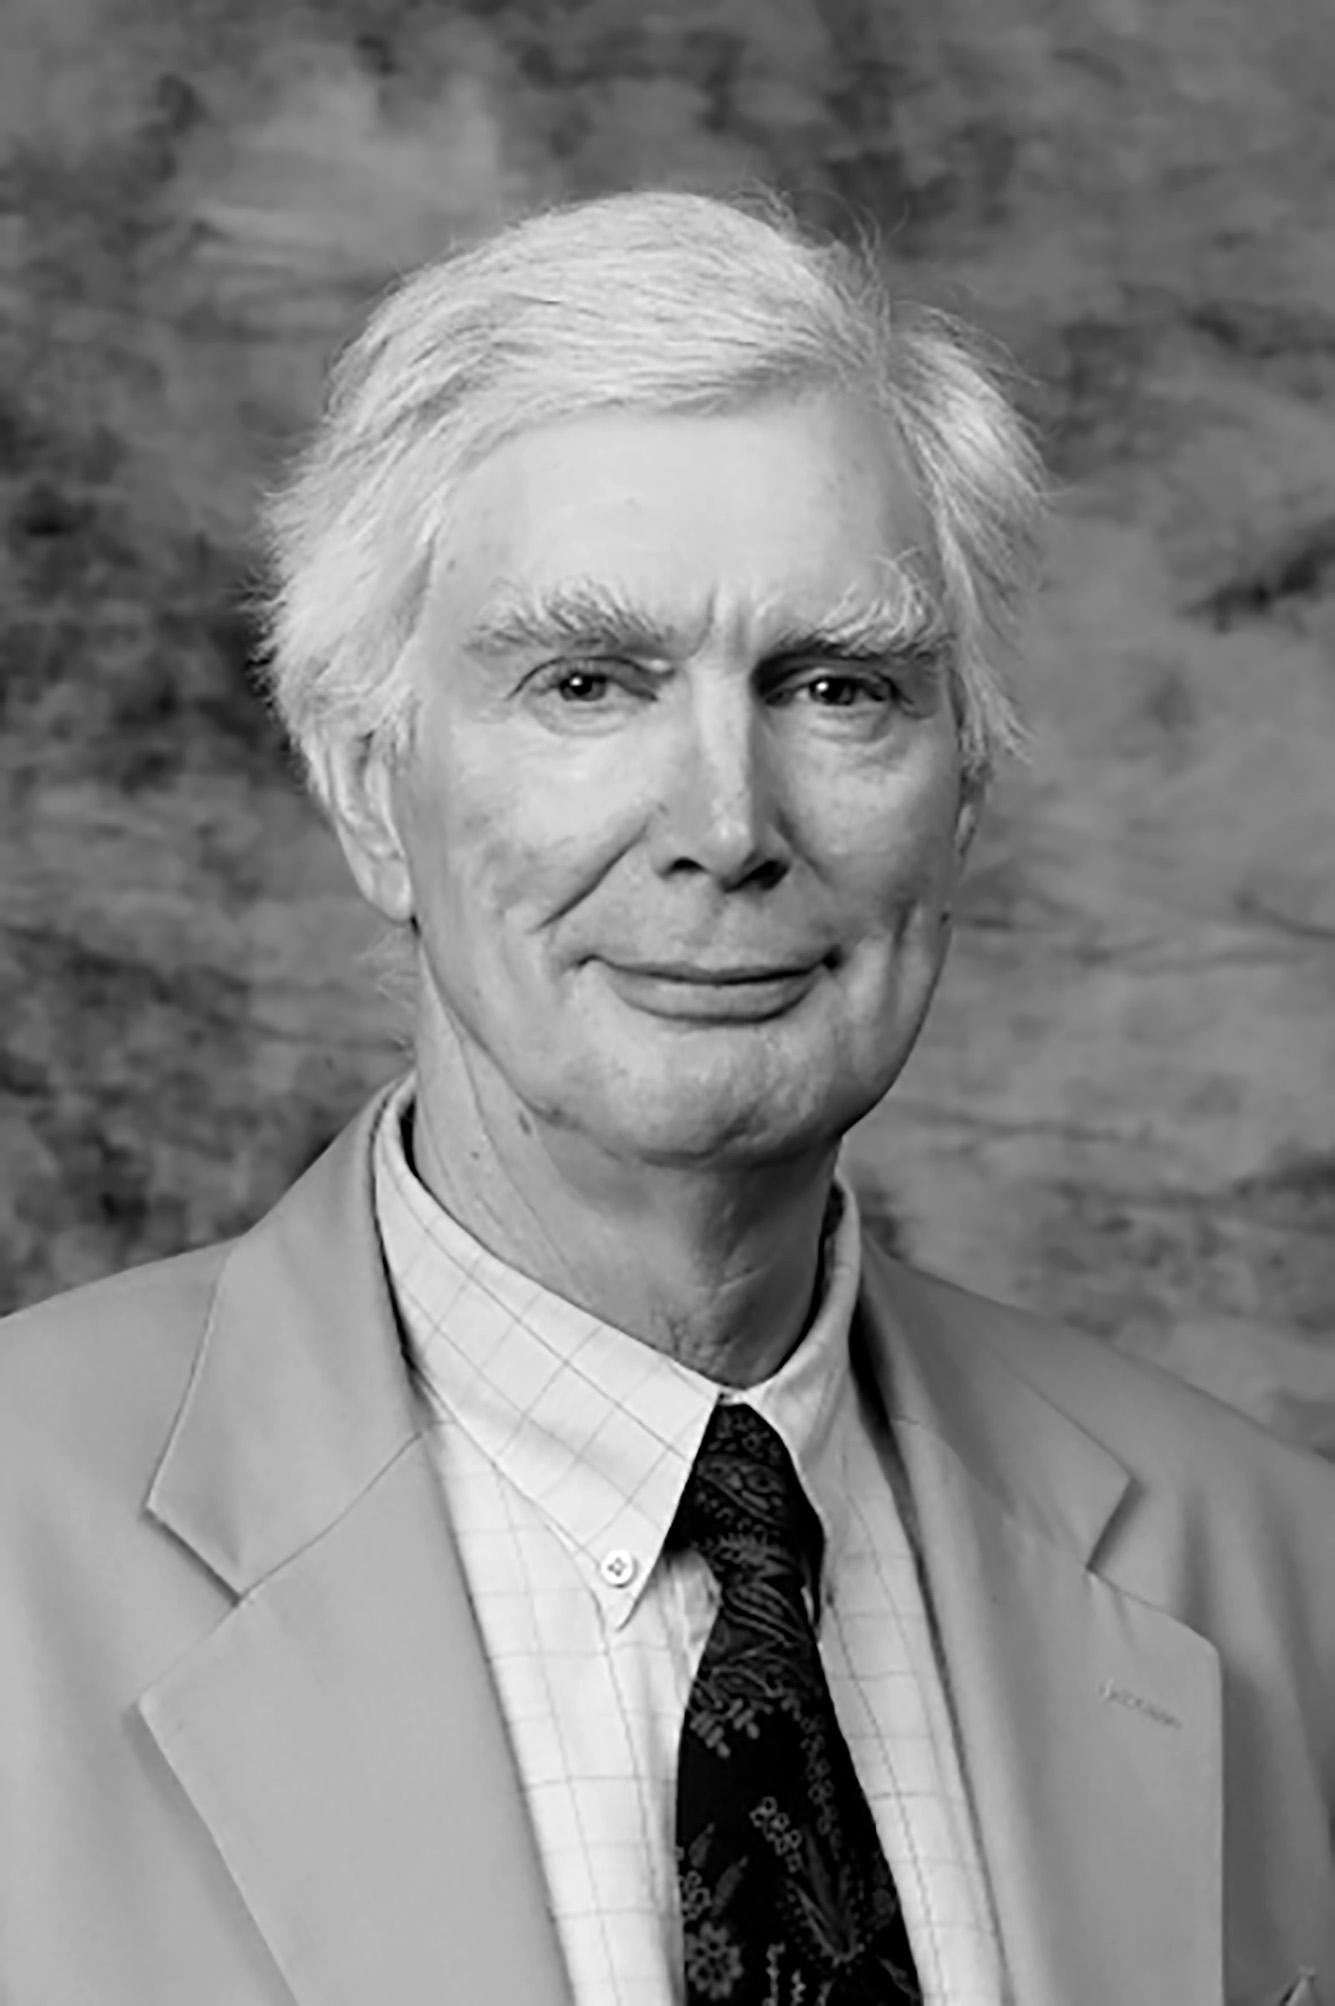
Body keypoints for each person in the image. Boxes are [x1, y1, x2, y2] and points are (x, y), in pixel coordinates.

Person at [1, 190, 1330, 2006]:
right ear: (369, 787)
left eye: (839, 685)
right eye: (586, 681)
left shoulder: (1278, 1577)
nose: (726, 824)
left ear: (963, 795)